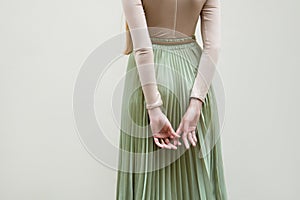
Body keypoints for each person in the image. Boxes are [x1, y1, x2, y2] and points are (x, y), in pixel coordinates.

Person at [116, 0, 228, 199]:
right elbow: (213, 47)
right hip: (193, 78)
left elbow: (143, 50)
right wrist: (196, 102)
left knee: (148, 176)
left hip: (148, 82)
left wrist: (154, 108)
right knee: (196, 179)